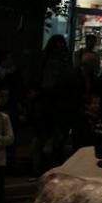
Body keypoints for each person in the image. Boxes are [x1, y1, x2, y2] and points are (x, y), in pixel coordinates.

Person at [31, 35, 72, 175]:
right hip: (52, 102)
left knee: (50, 138)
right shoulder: (57, 60)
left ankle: (45, 166)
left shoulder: (54, 59)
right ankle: (47, 166)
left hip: (54, 101)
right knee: (49, 138)